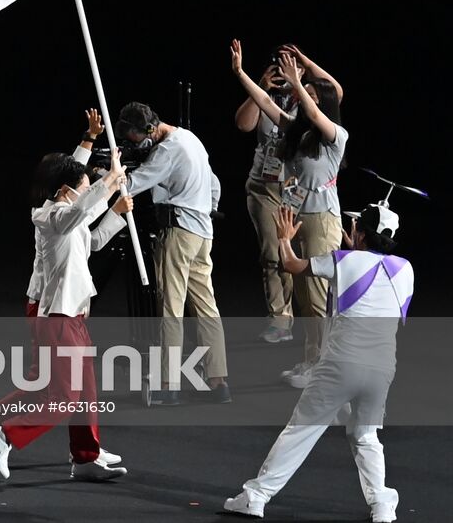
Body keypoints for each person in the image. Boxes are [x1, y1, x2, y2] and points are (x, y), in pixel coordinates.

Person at [223, 204, 409, 523]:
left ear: (360, 233)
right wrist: (358, 247)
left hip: (341, 364)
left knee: (301, 430)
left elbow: (291, 264)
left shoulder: (344, 260)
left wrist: (284, 237)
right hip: (381, 370)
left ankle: (255, 497)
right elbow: (369, 271)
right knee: (365, 436)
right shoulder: (405, 269)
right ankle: (381, 506)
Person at [0, 144, 132, 483]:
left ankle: (86, 456)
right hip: (57, 315)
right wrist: (110, 181)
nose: (88, 189)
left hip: (74, 314)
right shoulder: (50, 216)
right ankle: (5, 433)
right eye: (84, 185)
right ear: (67, 190)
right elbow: (79, 207)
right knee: (63, 397)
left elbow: (92, 235)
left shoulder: (71, 215)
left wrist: (115, 209)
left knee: (84, 391)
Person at [231, 41, 347, 387]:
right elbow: (265, 103)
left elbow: (317, 109)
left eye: (309, 93)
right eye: (300, 92)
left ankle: (323, 368)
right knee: (302, 292)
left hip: (322, 219)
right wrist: (240, 73)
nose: (301, 98)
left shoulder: (335, 136)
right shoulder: (296, 133)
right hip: (295, 215)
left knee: (318, 297)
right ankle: (313, 361)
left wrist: (301, 77)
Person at [116, 101, 229, 405]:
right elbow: (214, 184)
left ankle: (169, 384)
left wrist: (110, 174)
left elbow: (133, 184)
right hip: (203, 233)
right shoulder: (190, 138)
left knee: (171, 308)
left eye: (134, 138)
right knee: (207, 308)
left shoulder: (167, 151)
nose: (134, 144)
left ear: (149, 130)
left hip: (178, 233)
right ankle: (219, 382)